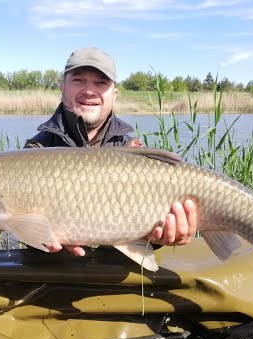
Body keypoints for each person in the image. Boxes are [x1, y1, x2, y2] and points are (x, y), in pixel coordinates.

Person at [25, 47, 197, 256]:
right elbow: (22, 227)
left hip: (118, 274)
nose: (89, 90)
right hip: (56, 274)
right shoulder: (35, 152)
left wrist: (156, 239)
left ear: (114, 95)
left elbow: (146, 240)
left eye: (101, 82)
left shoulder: (132, 151)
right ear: (62, 88)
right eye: (79, 80)